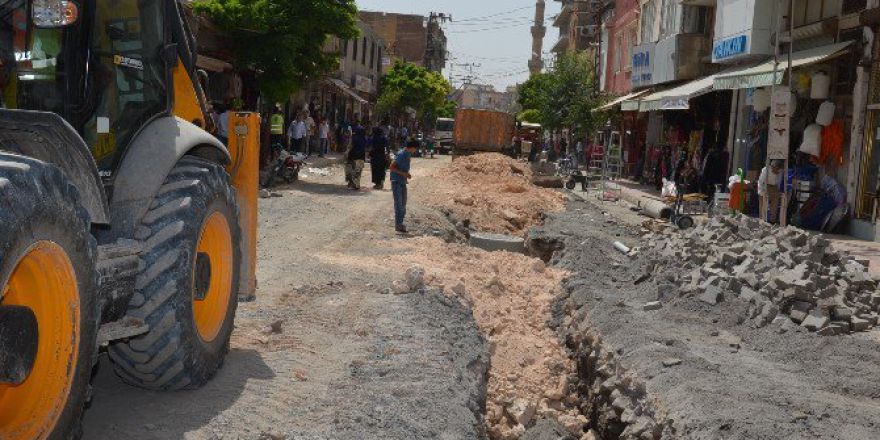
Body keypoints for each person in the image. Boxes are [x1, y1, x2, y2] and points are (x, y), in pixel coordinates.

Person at [390, 140, 418, 233]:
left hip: (402, 182)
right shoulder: (401, 154)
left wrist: (407, 174)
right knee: (399, 205)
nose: (415, 150)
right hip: (396, 182)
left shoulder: (407, 154)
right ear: (412, 147)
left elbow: (402, 168)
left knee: (403, 204)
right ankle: (398, 225)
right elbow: (392, 167)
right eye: (415, 148)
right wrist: (403, 174)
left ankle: (400, 224)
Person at [758, 159, 784, 224]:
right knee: (763, 204)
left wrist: (777, 191)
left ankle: (772, 220)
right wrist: (764, 190)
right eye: (776, 169)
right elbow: (761, 182)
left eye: (778, 169)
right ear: (772, 167)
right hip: (764, 187)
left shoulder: (780, 171)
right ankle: (762, 219)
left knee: (775, 202)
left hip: (774, 187)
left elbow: (778, 183)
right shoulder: (765, 170)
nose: (777, 171)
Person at [345, 124, 367, 190]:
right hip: (361, 156)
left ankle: (352, 183)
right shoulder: (364, 138)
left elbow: (350, 146)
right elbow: (366, 147)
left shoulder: (354, 138)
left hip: (353, 156)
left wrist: (346, 153)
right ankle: (357, 184)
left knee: (351, 170)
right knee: (358, 171)